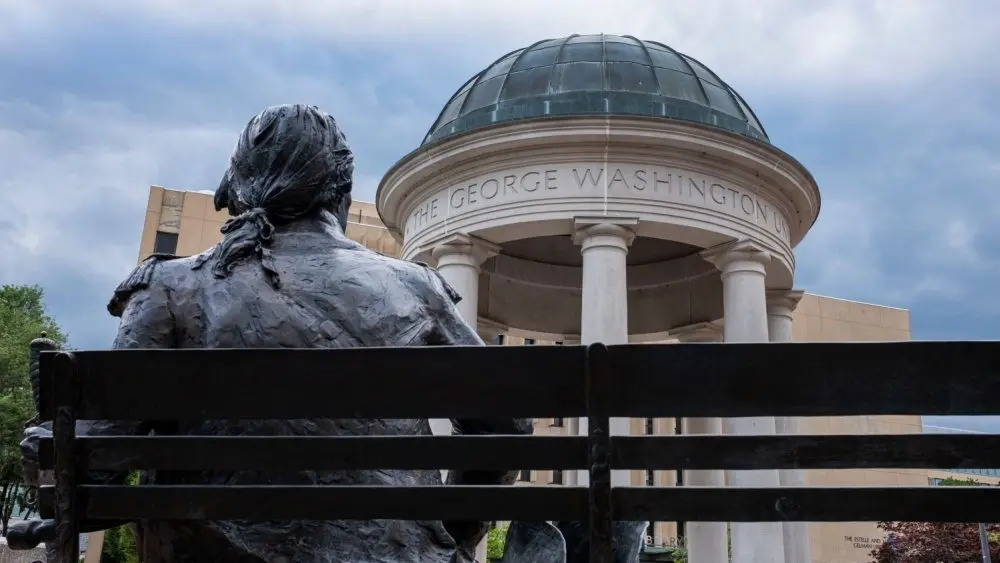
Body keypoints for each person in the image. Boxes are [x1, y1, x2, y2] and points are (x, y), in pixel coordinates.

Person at [101, 104, 533, 562]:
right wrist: (449, 534)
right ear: (341, 191)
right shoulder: (416, 289)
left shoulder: (170, 287)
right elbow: (504, 423)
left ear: (238, 188)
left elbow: (95, 463)